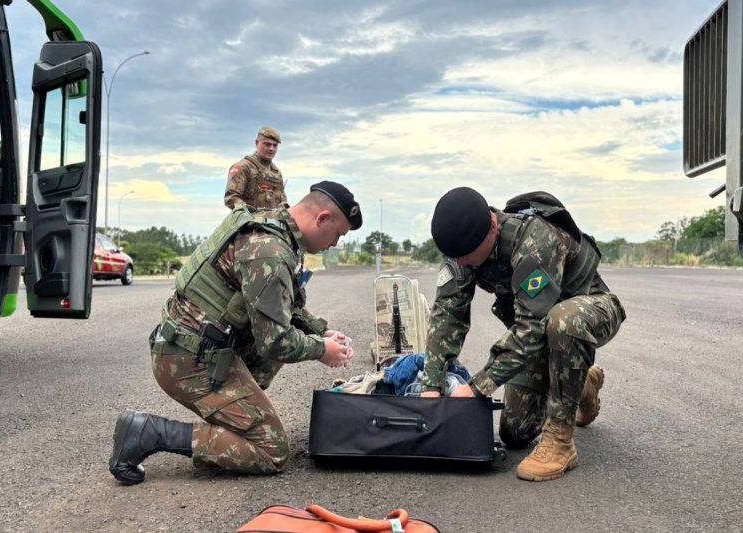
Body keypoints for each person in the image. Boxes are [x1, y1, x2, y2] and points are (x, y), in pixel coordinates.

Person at [110, 181, 363, 484]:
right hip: (188, 361)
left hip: (196, 347)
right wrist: (321, 350)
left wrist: (321, 331)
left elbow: (283, 308)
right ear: (322, 218)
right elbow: (275, 341)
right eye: (338, 234)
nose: (335, 243)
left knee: (284, 336)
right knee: (272, 450)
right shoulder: (269, 250)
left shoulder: (274, 229)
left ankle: (237, 415)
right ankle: (148, 432)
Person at [420, 187, 626, 481]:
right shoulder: (461, 253)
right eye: (457, 259)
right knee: (515, 433)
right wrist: (432, 386)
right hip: (542, 331)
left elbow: (530, 331)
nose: (464, 265)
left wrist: (475, 388)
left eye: (469, 258)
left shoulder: (534, 241)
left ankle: (560, 442)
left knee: (561, 321)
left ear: (492, 226)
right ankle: (583, 382)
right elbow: (446, 317)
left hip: (590, 311)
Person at [224, 126, 287, 209]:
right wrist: (254, 215)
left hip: (273, 221)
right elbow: (231, 198)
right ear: (257, 143)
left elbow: (282, 202)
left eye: (275, 145)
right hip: (249, 221)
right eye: (267, 144)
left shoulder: (276, 172)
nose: (271, 149)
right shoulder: (243, 167)